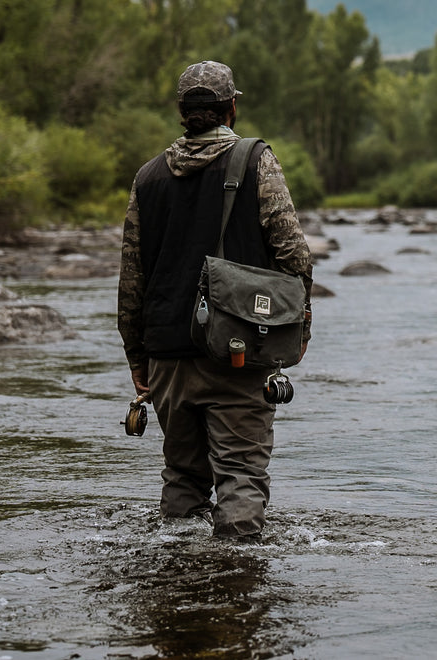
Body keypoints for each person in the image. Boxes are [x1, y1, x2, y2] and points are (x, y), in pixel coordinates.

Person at [118, 60, 312, 540]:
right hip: (236, 350)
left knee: (182, 478)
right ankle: (235, 581)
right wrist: (297, 331)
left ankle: (178, 577)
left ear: (183, 112)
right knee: (241, 474)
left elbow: (131, 280)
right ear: (231, 107)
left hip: (166, 355)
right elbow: (294, 254)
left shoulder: (146, 177)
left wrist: (137, 358)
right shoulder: (255, 158)